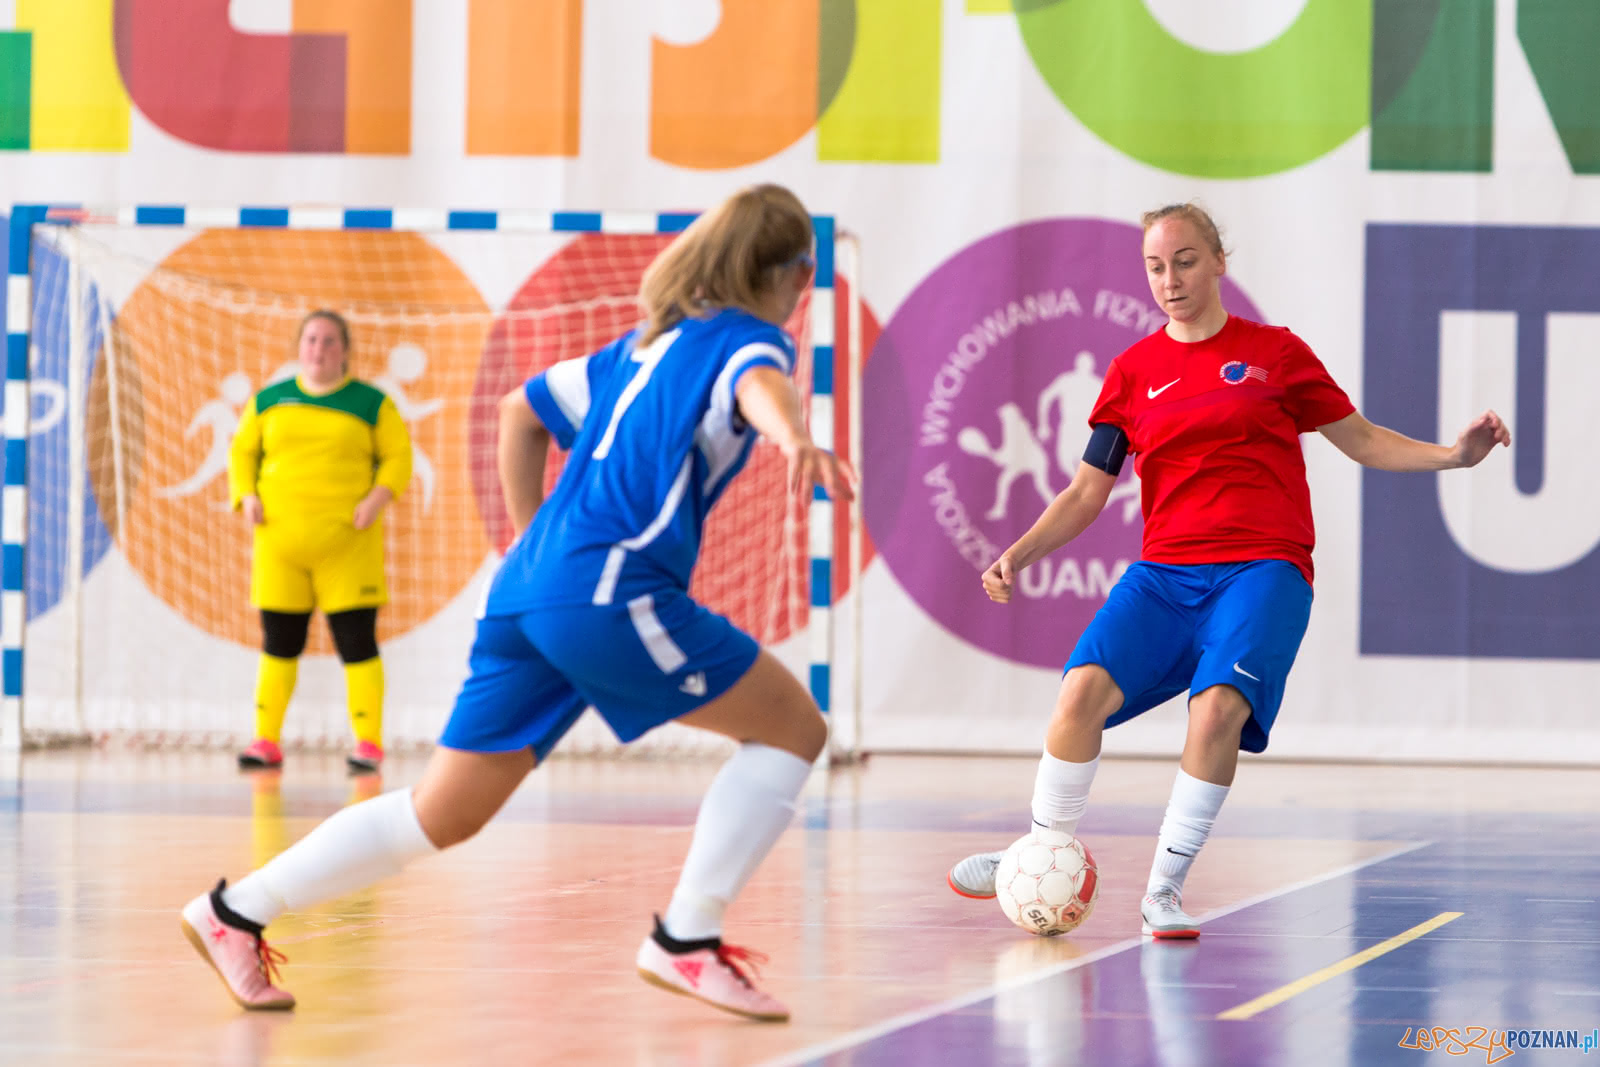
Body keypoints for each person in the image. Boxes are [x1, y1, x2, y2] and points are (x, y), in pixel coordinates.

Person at [182, 183, 853, 1022]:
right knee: (796, 728)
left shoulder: (637, 349)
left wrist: (535, 539)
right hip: (607, 588)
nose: (804, 293)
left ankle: (234, 909)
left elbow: (519, 411)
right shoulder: (748, 342)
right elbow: (759, 383)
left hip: (528, 589)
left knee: (442, 812)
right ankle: (687, 937)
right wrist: (794, 437)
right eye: (806, 275)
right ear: (787, 271)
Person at [946, 203, 1510, 938]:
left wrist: (1453, 456)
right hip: (1164, 575)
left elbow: (1364, 440)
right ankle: (1042, 846)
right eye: (1155, 266)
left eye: (1184, 260)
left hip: (1262, 570)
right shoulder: (1132, 372)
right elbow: (1089, 492)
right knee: (1079, 691)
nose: (1170, 279)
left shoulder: (1277, 354)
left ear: (1218, 262)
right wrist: (1018, 551)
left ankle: (1165, 890)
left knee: (1216, 708)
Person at [230, 310, 414, 774]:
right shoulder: (268, 401)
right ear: (299, 346)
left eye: (330, 341)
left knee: (357, 644)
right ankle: (266, 742)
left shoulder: (373, 404)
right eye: (312, 339)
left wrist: (377, 498)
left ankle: (368, 743)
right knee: (278, 644)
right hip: (280, 548)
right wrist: (245, 494)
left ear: (345, 350)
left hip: (347, 548)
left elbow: (398, 457)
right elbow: (242, 452)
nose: (319, 349)